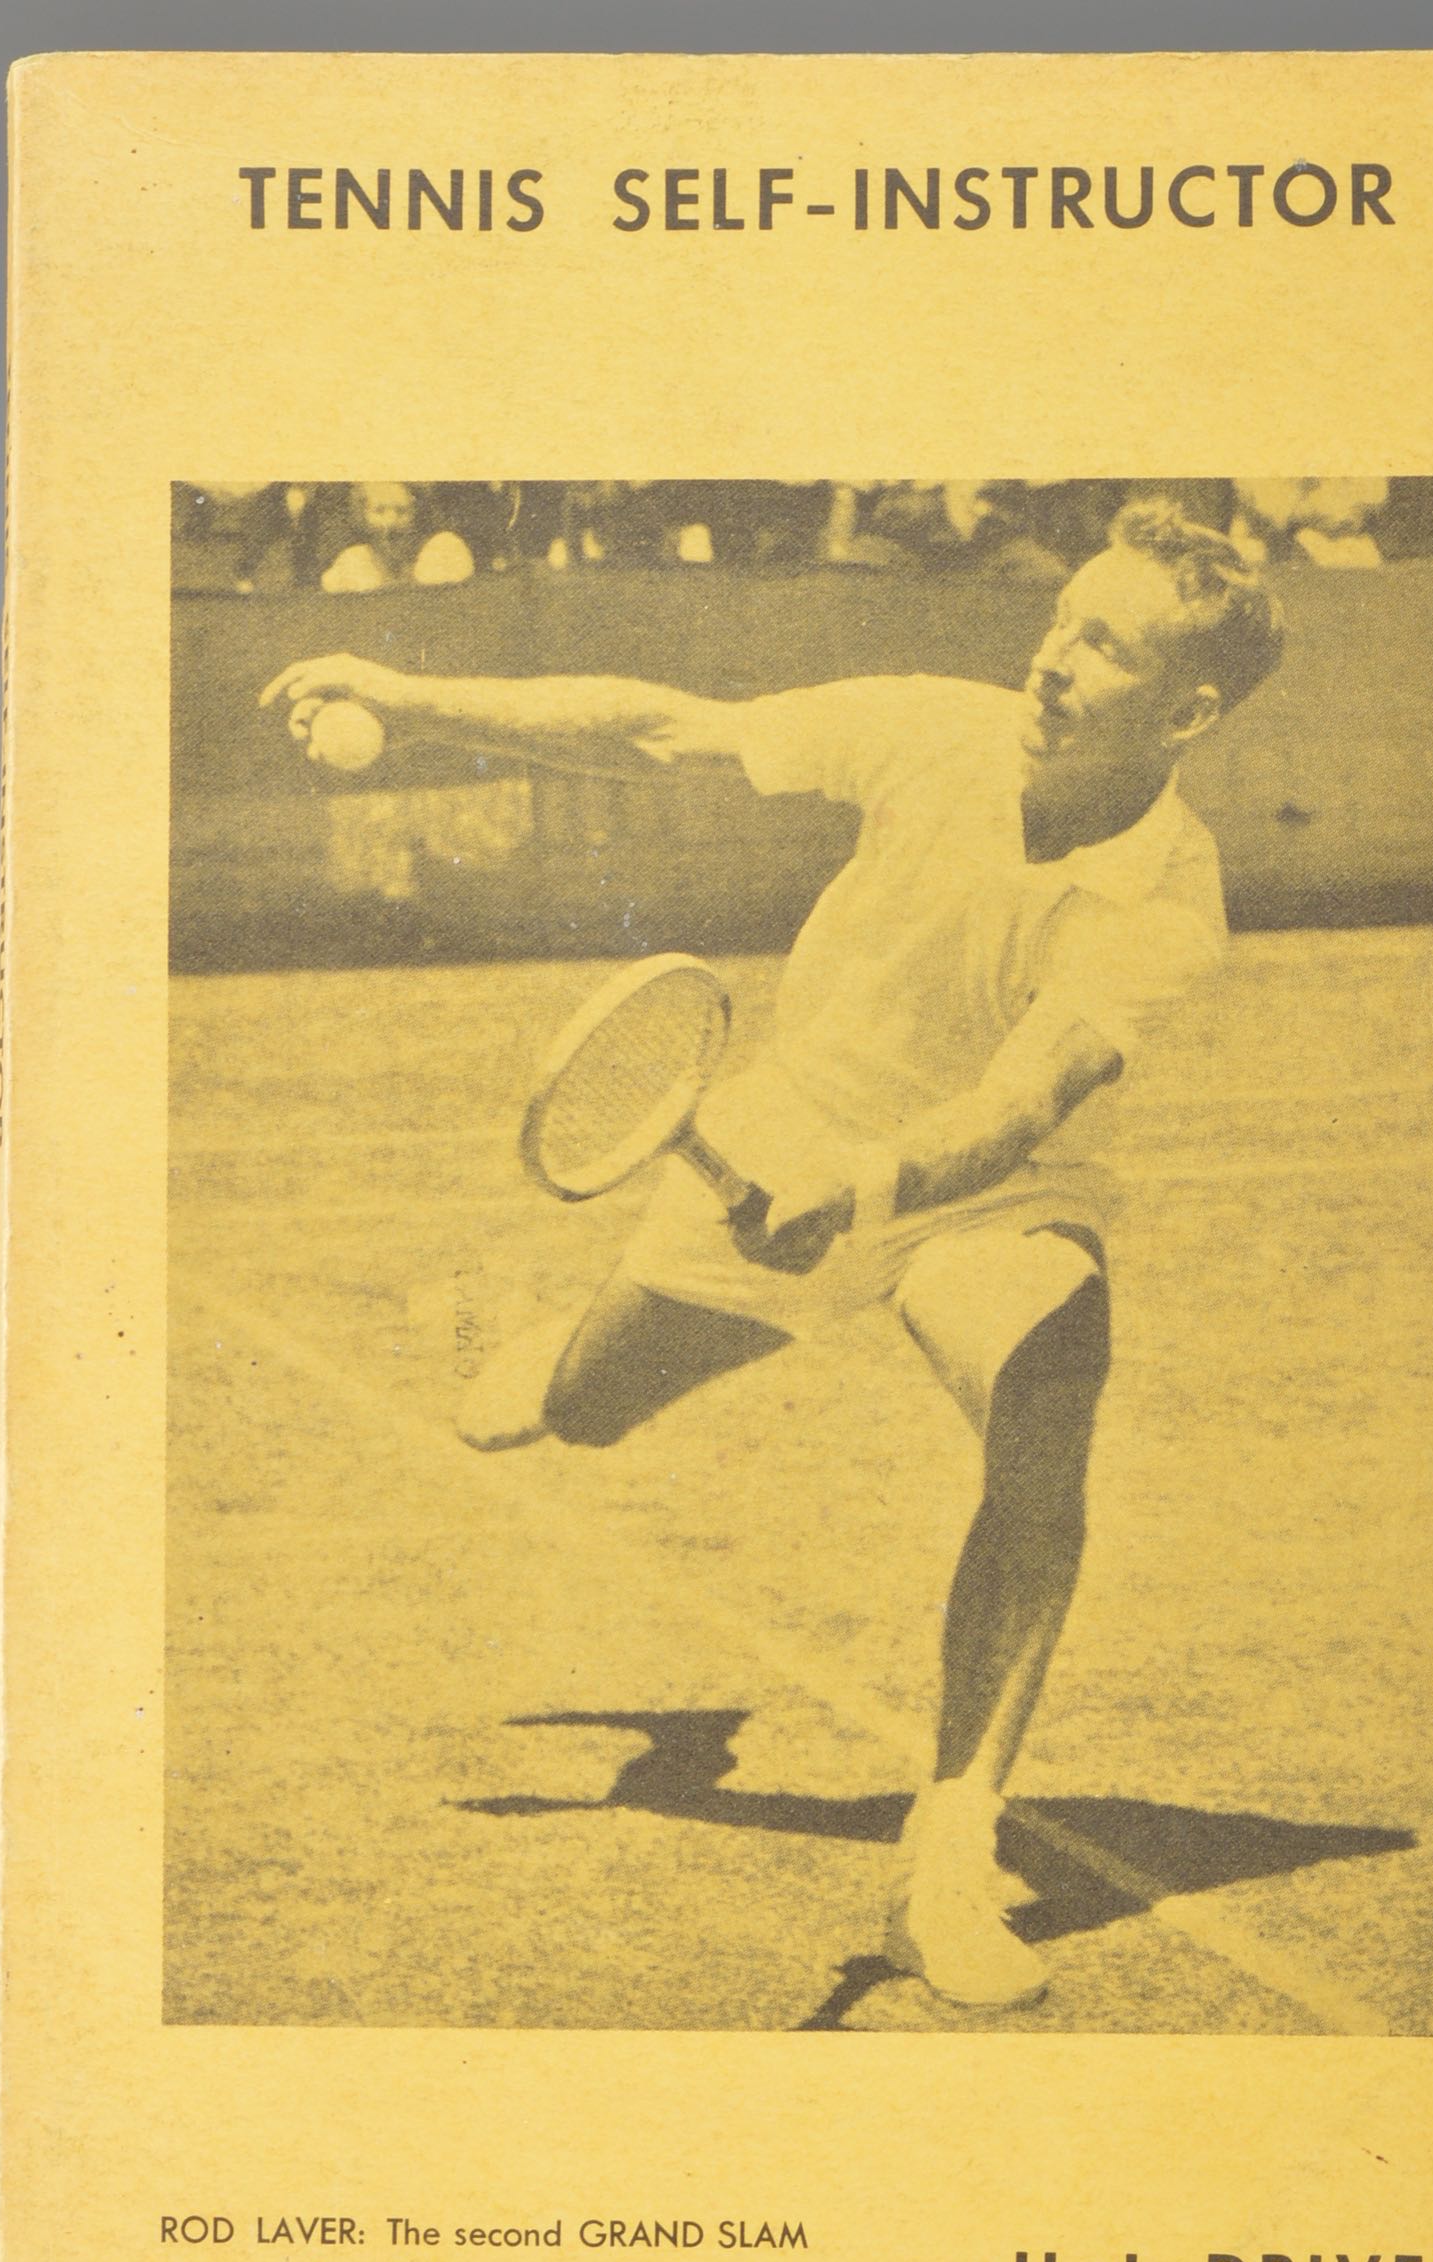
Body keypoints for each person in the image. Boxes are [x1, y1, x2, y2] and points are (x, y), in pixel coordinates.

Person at [261, 497, 1284, 2012]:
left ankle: (948, 1851)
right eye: (1064, 617)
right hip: (794, 1118)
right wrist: (414, 696)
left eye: (1103, 643)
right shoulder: (935, 732)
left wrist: (864, 1184)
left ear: (1186, 707)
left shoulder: (1165, 895)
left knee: (1049, 1403)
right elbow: (663, 727)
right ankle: (566, 1362)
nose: (1054, 656)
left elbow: (1018, 1106)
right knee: (597, 1407)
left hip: (981, 1192)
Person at [320, 481, 476, 591]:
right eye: (379, 511)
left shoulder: (443, 550)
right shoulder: (353, 560)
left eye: (402, 511)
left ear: (416, 514)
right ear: (362, 515)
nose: (391, 522)